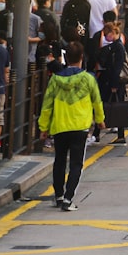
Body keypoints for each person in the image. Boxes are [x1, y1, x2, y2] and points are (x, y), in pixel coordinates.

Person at [38, 41, 105, 212]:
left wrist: (43, 127)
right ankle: (68, 199)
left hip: (59, 126)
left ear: (65, 57)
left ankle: (59, 196)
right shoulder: (88, 79)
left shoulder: (55, 79)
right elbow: (97, 101)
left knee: (59, 161)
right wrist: (100, 120)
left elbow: (47, 105)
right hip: (80, 127)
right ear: (82, 57)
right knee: (76, 164)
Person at [94, 22, 128, 145]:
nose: (106, 37)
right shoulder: (116, 45)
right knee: (112, 107)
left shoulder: (117, 47)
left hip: (113, 82)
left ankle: (99, 134)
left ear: (113, 33)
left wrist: (114, 84)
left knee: (107, 106)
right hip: (112, 81)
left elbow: (117, 67)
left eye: (107, 34)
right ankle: (99, 134)